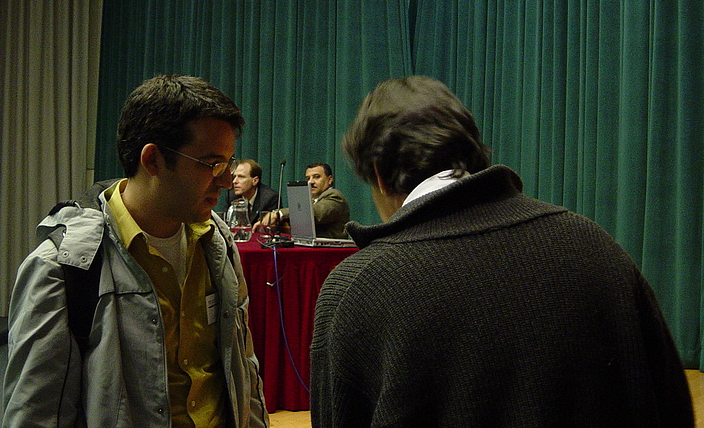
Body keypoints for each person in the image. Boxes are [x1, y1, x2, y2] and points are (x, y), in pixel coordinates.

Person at [309, 76, 693, 427]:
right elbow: (670, 406)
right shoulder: (597, 246)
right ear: (473, 152)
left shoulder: (354, 291)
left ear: (377, 174)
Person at [3, 74, 268, 428]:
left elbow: (243, 370)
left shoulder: (218, 243)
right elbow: (36, 414)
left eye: (229, 164)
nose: (225, 181)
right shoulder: (62, 268)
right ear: (153, 159)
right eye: (211, 164)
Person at [257, 162, 350, 238]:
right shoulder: (311, 200)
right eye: (307, 178)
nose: (311, 182)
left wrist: (278, 214)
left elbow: (313, 213)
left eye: (316, 177)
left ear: (329, 179)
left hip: (332, 252)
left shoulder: (335, 196)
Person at [218, 159, 279, 225]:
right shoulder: (232, 196)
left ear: (255, 181)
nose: (234, 181)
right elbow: (223, 222)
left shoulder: (270, 198)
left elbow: (271, 227)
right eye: (234, 176)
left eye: (241, 177)